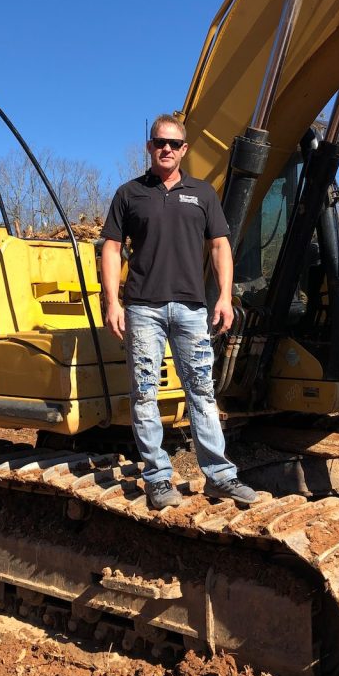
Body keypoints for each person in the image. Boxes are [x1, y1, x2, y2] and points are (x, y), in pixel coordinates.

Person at [100, 114, 259, 511]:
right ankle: (157, 479)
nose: (166, 148)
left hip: (192, 309)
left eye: (173, 143)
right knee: (144, 394)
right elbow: (111, 248)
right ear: (149, 146)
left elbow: (221, 246)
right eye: (159, 142)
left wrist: (224, 297)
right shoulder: (129, 194)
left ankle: (220, 476)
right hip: (143, 309)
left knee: (201, 392)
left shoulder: (202, 194)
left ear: (184, 149)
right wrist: (112, 301)